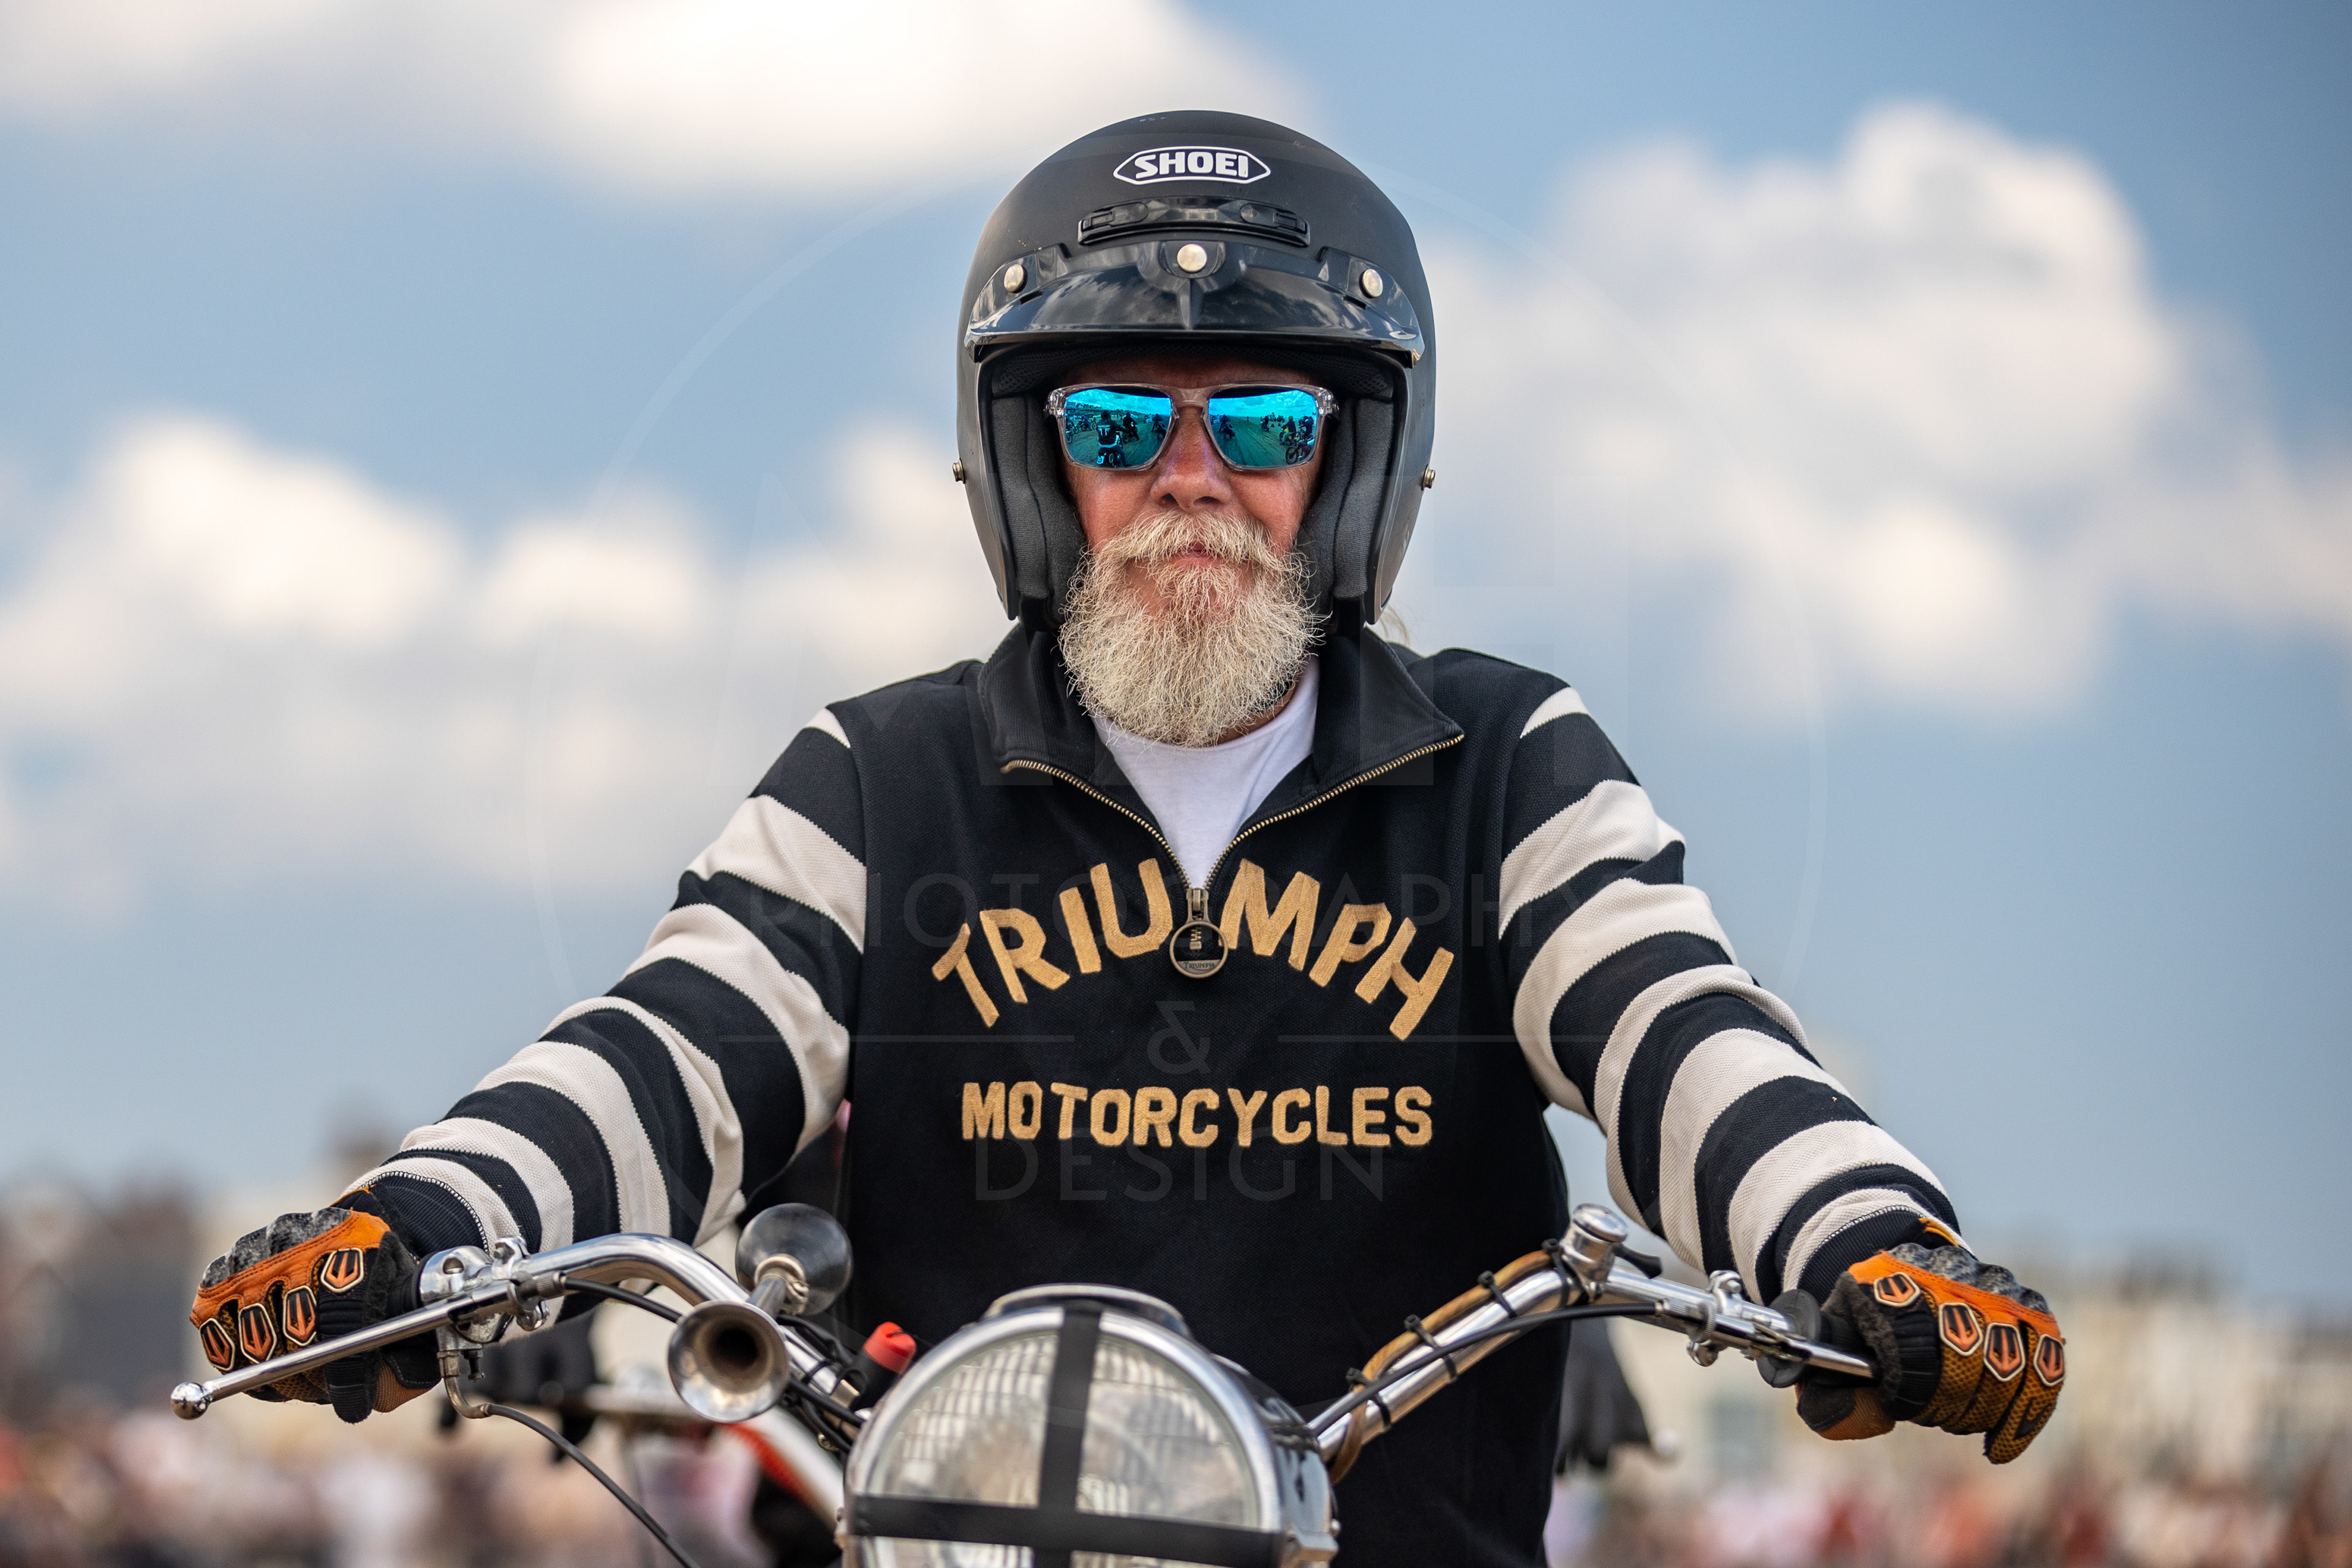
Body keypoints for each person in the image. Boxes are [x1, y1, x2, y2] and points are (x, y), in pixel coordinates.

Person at [188, 110, 2065, 1568]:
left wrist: (1871, 1244)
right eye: (1113, 414)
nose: (1190, 473)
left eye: (1259, 414)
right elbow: (668, 1050)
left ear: (1354, 462)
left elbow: (1684, 1033)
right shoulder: (877, 777)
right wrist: (410, 1231)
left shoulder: (1507, 765)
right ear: (1033, 460)